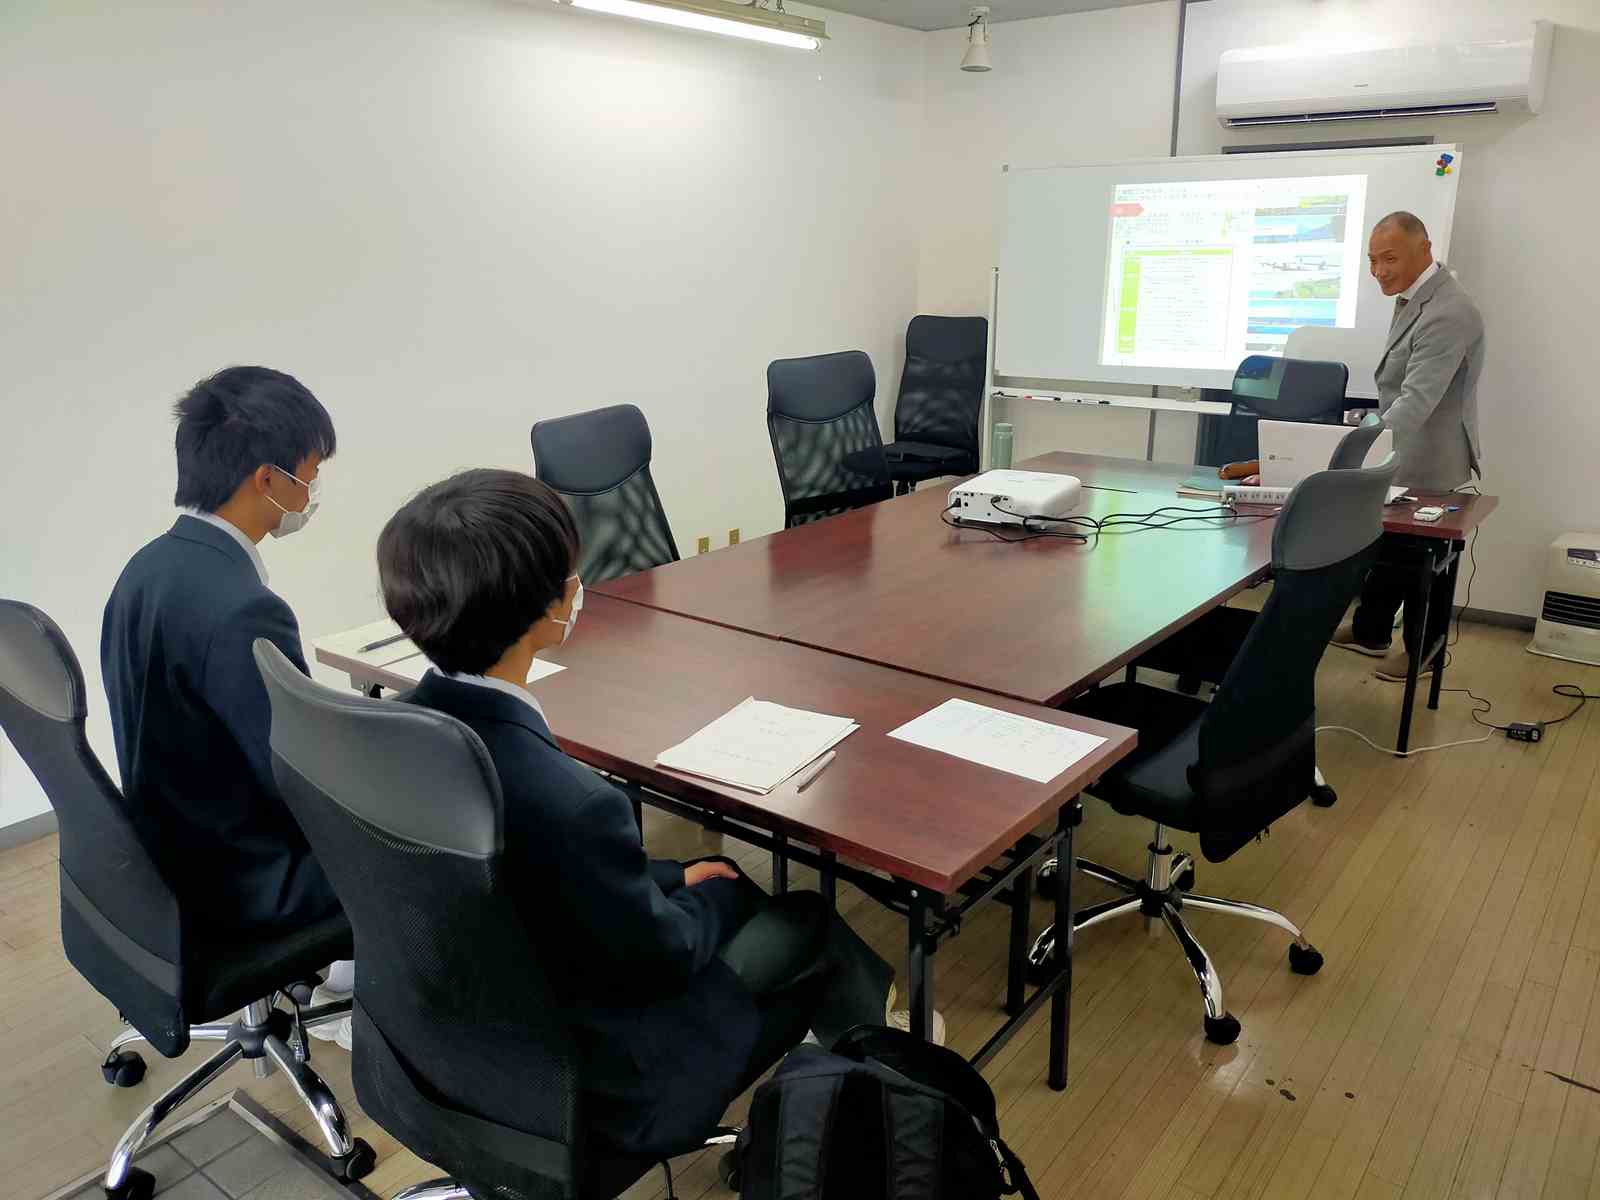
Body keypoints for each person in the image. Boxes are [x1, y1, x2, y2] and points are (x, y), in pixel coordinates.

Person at [376, 468, 928, 1160]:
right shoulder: (571, 801)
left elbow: (548, 884)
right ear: (548, 610)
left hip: (441, 1044)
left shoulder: (387, 733)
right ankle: (886, 1085)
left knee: (708, 875)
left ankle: (876, 1051)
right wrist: (713, 897)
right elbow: (661, 958)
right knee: (800, 917)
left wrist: (668, 878)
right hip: (604, 1080)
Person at [101, 365, 353, 1041]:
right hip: (241, 883)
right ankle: (373, 1024)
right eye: (309, 475)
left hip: (166, 852)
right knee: (420, 846)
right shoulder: (243, 608)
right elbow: (299, 779)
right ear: (267, 479)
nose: (311, 494)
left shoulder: (148, 567)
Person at [1331, 211, 1485, 681]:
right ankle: (1372, 631)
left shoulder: (1448, 310)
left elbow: (1416, 399)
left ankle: (1423, 652)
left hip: (1432, 458)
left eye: (1390, 259)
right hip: (1403, 450)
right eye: (1372, 260)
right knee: (1391, 547)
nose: (1379, 271)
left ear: (1425, 249)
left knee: (1423, 560)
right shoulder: (1414, 296)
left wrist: (1359, 444)